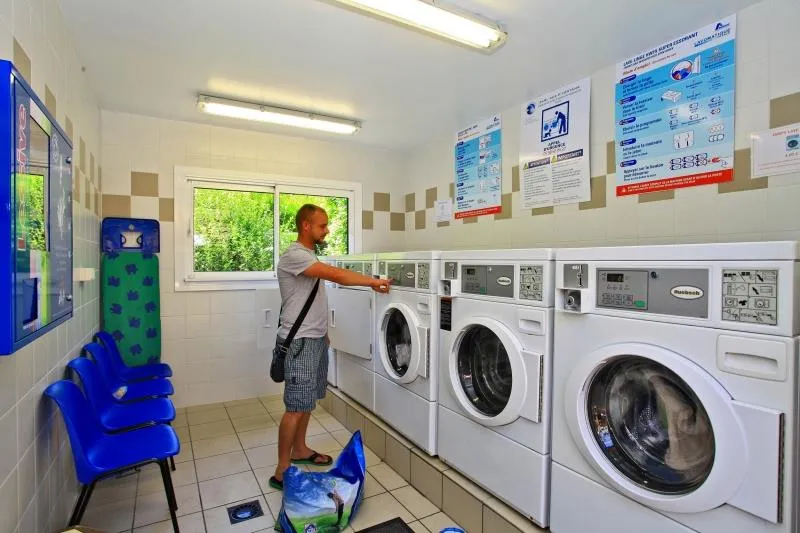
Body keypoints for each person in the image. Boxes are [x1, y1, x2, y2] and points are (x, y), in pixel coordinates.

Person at [269, 204, 391, 491]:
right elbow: (336, 275)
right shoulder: (295, 255)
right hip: (299, 342)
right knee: (294, 407)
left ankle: (300, 449)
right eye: (322, 226)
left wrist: (323, 334)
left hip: (313, 339)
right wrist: (372, 282)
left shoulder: (309, 255)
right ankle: (281, 470)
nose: (326, 230)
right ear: (306, 226)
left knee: (307, 401)